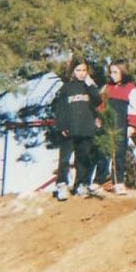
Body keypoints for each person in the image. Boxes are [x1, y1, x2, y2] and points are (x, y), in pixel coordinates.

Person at [53, 56, 103, 200]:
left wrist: (91, 84)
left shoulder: (89, 88)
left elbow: (98, 100)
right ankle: (62, 185)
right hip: (69, 130)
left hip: (86, 129)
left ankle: (81, 185)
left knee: (83, 158)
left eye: (84, 70)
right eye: (78, 70)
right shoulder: (66, 88)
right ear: (73, 71)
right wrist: (62, 125)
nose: (82, 73)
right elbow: (59, 108)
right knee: (65, 159)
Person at [97, 60, 136, 195]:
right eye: (111, 72)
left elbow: (134, 110)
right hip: (106, 124)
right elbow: (100, 105)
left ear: (123, 72)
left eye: (116, 72)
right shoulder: (106, 88)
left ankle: (119, 182)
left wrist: (132, 126)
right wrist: (98, 119)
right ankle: (99, 181)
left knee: (119, 153)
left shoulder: (131, 89)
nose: (112, 75)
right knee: (103, 153)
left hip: (121, 125)